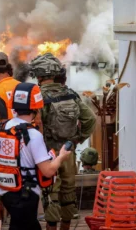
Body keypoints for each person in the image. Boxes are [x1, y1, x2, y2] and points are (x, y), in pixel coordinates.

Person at [30, 53, 96, 230]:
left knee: (51, 194)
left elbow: (35, 126)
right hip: (68, 152)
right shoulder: (70, 94)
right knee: (68, 193)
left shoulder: (38, 96)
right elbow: (90, 120)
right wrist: (76, 141)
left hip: (48, 154)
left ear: (40, 74)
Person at [0, 82, 71, 230]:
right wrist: (61, 156)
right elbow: (48, 171)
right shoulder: (32, 135)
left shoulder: (3, 128)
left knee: (17, 225)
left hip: (6, 191)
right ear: (35, 108)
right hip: (25, 195)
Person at [0, 52, 20, 122]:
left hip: (11, 132)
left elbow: (3, 123)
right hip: (30, 130)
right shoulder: (21, 85)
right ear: (8, 68)